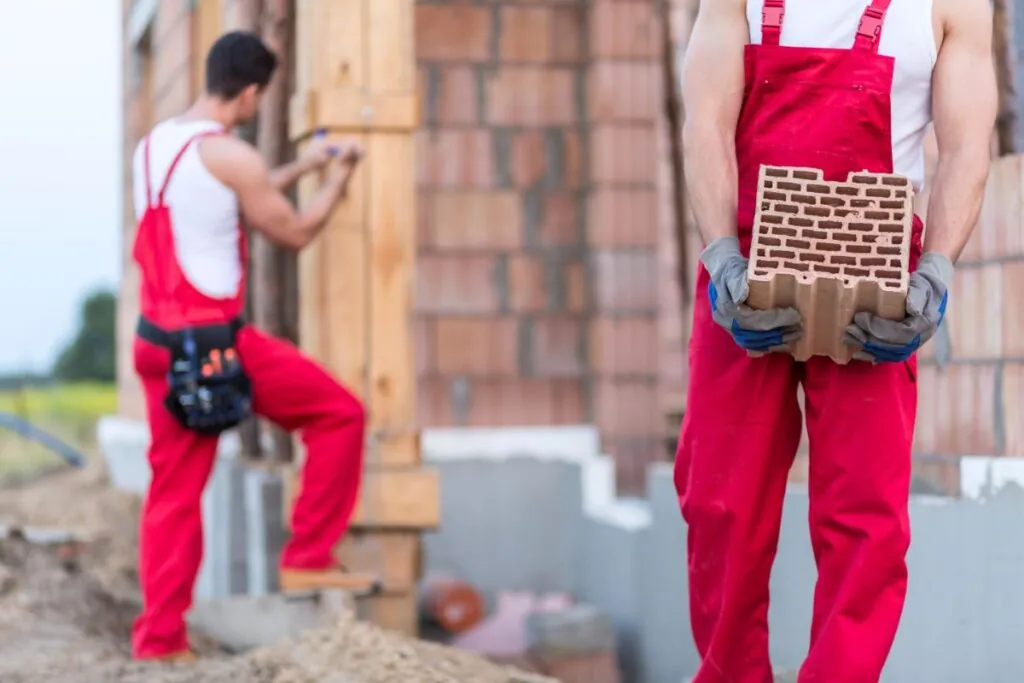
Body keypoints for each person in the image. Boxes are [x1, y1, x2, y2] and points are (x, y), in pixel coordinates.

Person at [676, 0, 995, 680]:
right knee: (720, 502)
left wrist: (934, 272)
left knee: (866, 521)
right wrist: (723, 260)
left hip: (876, 275)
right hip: (747, 265)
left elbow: (969, 143)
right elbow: (704, 120)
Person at [130, 31, 378, 662]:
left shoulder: (155, 146)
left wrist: (307, 165)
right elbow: (291, 230)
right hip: (210, 347)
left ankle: (159, 639)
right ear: (249, 93)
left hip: (157, 341)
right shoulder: (230, 155)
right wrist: (340, 179)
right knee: (340, 414)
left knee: (172, 497)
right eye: (257, 99)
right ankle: (308, 556)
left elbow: (231, 194)